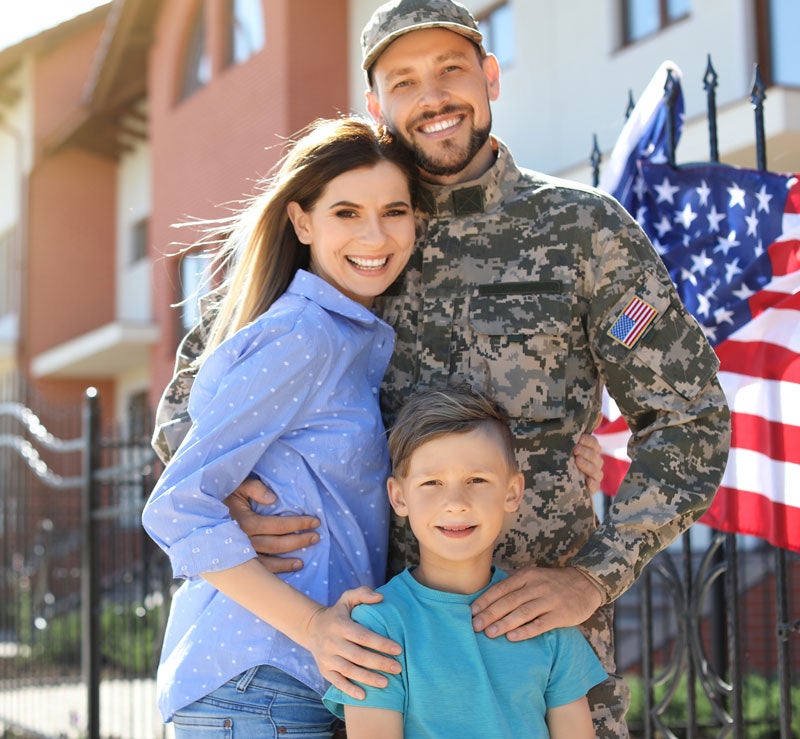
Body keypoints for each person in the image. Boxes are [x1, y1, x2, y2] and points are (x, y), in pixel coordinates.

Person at [152, 1, 731, 735]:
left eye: (451, 69)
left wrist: (596, 574)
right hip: (375, 662)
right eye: (404, 81)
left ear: (490, 75)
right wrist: (237, 503)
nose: (432, 97)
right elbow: (192, 403)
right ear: (377, 105)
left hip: (539, 661)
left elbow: (689, 415)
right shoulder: (353, 229)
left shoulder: (585, 232)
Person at [142, 116, 423, 736]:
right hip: (260, 684)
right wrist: (313, 627)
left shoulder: (344, 335)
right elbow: (177, 506)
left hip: (283, 688)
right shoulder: (306, 335)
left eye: (394, 211)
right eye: (346, 212)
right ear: (302, 223)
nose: (375, 235)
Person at [322, 384, 608, 738]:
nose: (455, 501)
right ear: (399, 497)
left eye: (477, 479)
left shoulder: (544, 619)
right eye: (432, 482)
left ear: (512, 492)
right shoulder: (378, 626)